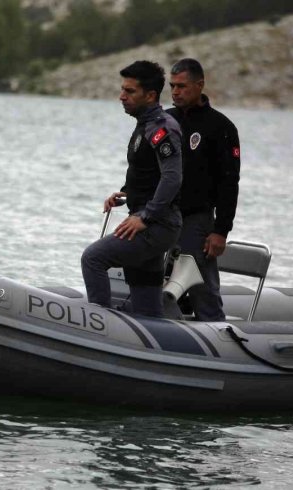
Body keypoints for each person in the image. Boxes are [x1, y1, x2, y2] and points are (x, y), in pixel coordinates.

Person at [81, 60, 183, 317]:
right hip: (149, 220)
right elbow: (151, 172)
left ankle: (98, 326)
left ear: (150, 95)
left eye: (129, 91)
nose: (121, 96)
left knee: (93, 258)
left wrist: (145, 217)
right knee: (146, 299)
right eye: (122, 89)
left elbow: (172, 178)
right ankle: (157, 345)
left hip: (155, 225)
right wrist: (127, 193)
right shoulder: (145, 124)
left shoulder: (161, 128)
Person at [166, 58, 241, 321]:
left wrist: (221, 230)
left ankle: (215, 331)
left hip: (196, 220)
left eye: (182, 86)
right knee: (153, 278)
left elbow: (229, 182)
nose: (175, 92)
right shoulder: (165, 120)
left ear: (200, 85)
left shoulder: (221, 128)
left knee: (201, 287)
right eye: (172, 86)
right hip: (162, 216)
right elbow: (147, 167)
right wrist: (126, 191)